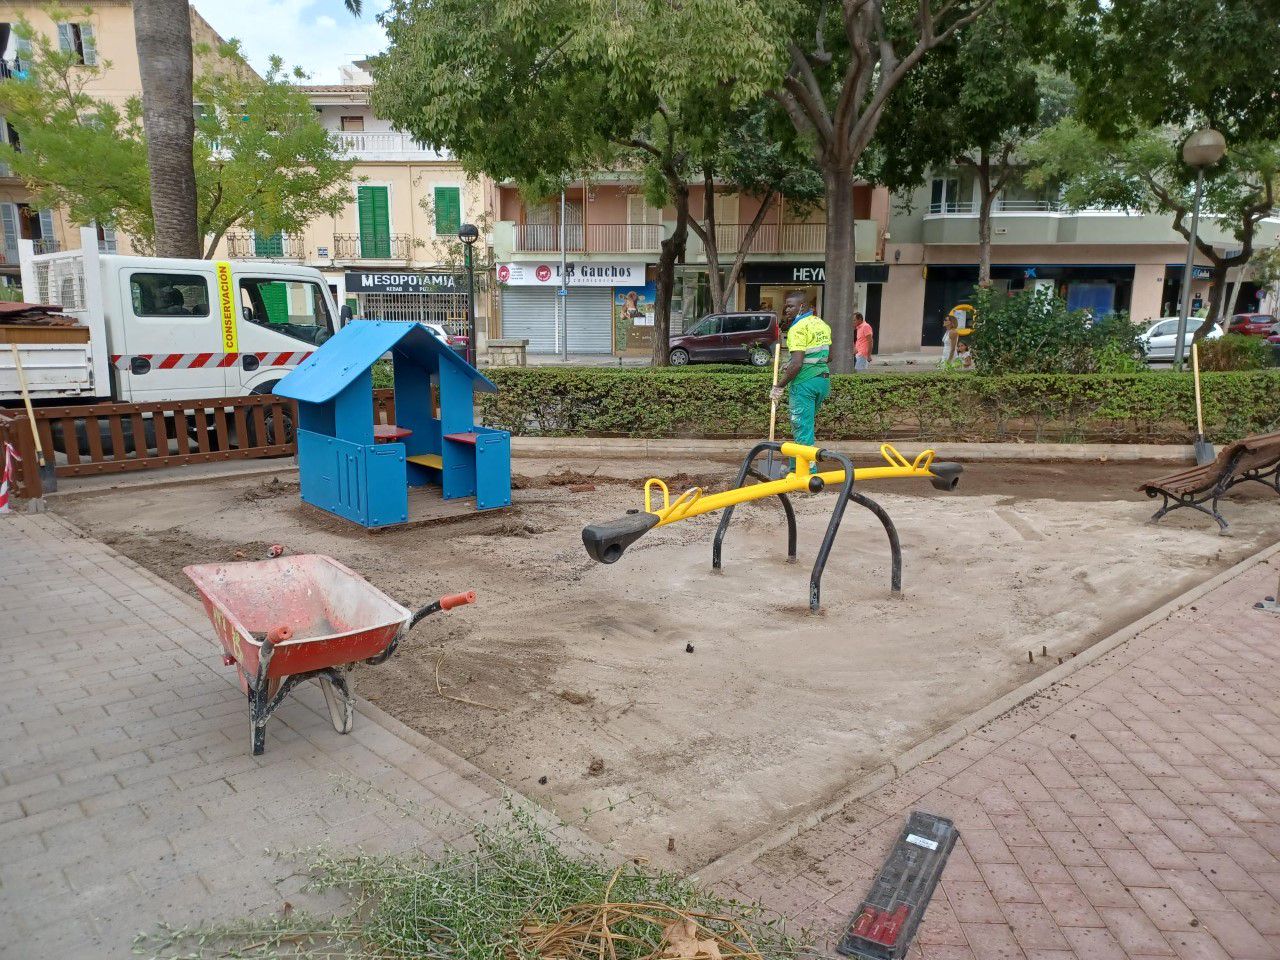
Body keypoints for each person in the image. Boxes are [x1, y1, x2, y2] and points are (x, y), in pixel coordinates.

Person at [770, 290, 831, 468]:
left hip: (804, 384)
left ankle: (808, 475)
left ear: (801, 306)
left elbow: (797, 365)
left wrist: (779, 386)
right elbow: (828, 356)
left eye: (790, 306)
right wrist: (791, 363)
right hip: (822, 381)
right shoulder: (821, 324)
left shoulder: (797, 328)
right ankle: (795, 467)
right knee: (805, 427)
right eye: (785, 306)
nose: (786, 310)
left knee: (802, 429)